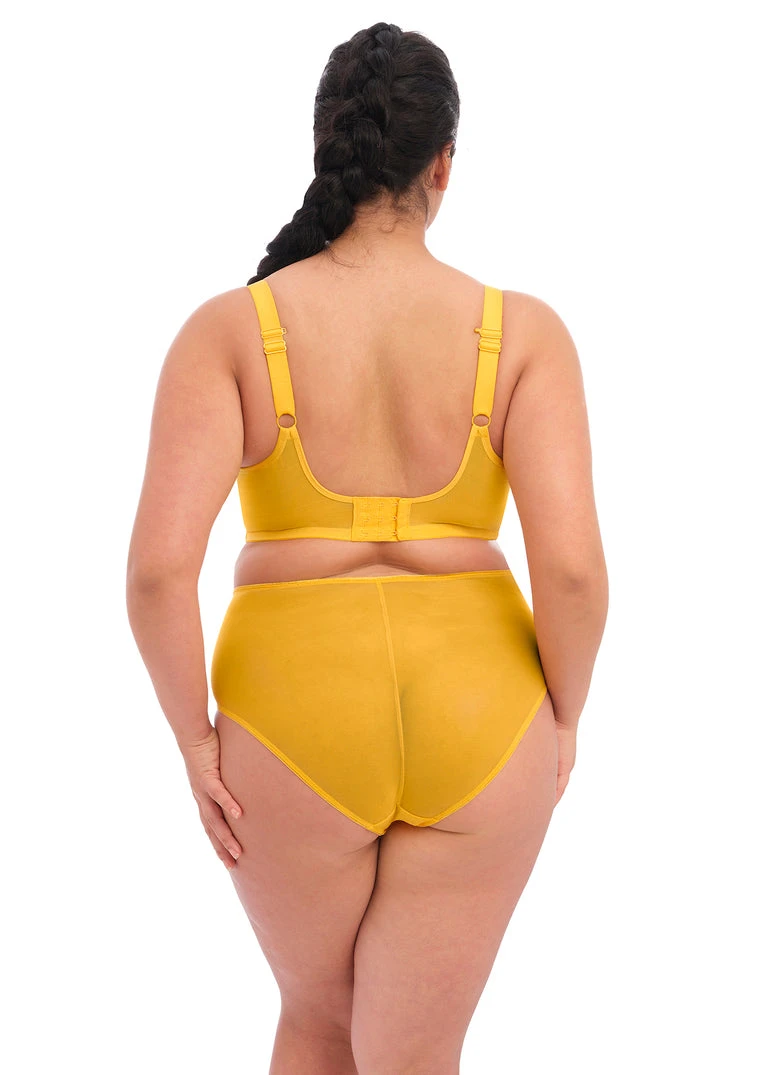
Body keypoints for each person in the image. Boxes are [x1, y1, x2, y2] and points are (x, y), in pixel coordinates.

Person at [126, 20, 609, 1075]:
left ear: (326, 148)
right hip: (483, 714)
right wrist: (565, 715)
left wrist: (197, 744)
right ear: (445, 164)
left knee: (316, 1023)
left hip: (292, 717)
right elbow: (573, 571)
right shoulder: (524, 334)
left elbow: (159, 571)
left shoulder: (231, 329)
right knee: (414, 1054)